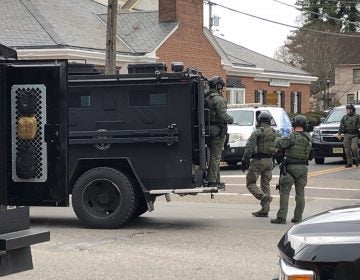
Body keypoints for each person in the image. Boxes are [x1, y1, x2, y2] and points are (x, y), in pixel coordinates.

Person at [271, 115, 312, 224]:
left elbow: (278, 143)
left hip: (290, 168)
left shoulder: (291, 136)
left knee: (284, 193)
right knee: (300, 194)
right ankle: (298, 217)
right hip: (303, 168)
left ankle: (281, 217)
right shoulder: (308, 137)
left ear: (294, 125)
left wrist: (279, 137)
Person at [241, 112, 278, 217]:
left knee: (250, 183)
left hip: (258, 161)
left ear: (259, 121)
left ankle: (263, 197)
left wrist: (245, 160)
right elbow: (278, 146)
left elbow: (249, 147)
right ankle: (265, 209)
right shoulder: (275, 132)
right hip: (270, 161)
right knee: (265, 185)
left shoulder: (258, 132)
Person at [205, 76, 233, 188]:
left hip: (207, 129)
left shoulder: (205, 97)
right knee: (215, 156)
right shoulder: (218, 99)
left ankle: (216, 180)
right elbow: (222, 115)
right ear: (218, 86)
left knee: (212, 156)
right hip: (217, 130)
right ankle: (212, 181)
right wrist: (231, 119)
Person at [337, 104, 360, 168]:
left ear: (352, 110)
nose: (347, 111)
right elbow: (341, 126)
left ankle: (357, 160)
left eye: (349, 109)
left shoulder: (357, 117)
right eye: (347, 109)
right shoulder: (344, 117)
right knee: (347, 149)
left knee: (354, 148)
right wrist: (339, 133)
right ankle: (349, 163)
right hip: (347, 134)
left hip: (355, 134)